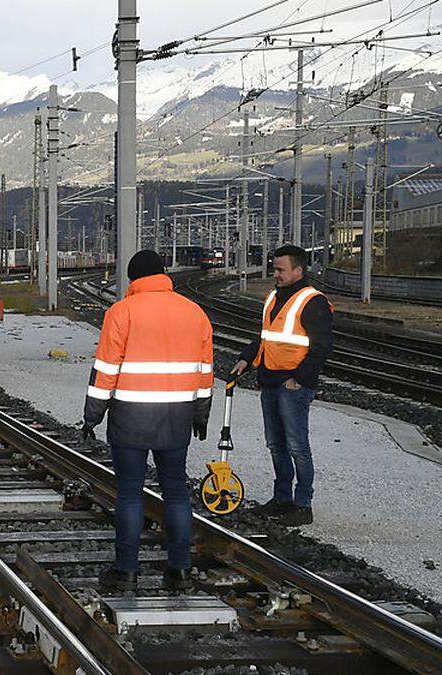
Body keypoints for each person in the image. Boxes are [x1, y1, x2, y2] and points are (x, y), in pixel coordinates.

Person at [83, 250, 214, 593]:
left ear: (133, 279)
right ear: (163, 274)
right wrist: (201, 414)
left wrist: (91, 417)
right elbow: (204, 372)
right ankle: (180, 571)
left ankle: (126, 572)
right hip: (177, 417)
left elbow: (106, 370)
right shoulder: (194, 313)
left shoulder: (121, 311)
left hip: (131, 416)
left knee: (129, 495)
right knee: (176, 494)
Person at [230, 244, 333, 527]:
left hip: (293, 386)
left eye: (280, 269)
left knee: (297, 445)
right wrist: (246, 358)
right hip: (270, 379)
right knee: (276, 444)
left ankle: (303, 505)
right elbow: (266, 336)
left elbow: (322, 346)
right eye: (274, 268)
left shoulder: (312, 301)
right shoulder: (275, 296)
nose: (275, 273)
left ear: (298, 270)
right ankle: (282, 498)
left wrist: (298, 379)